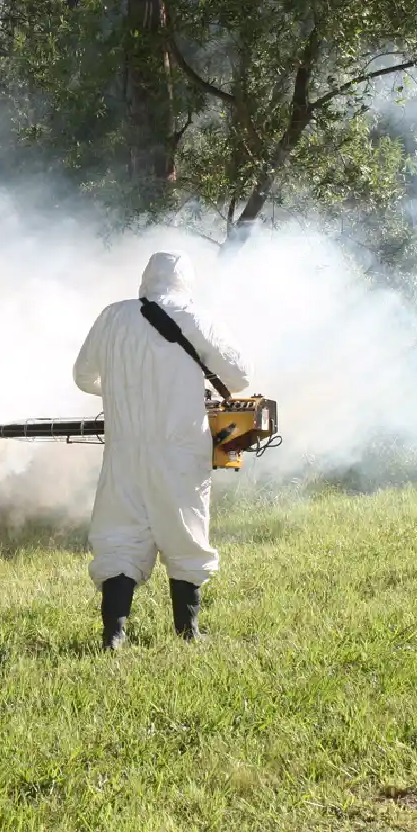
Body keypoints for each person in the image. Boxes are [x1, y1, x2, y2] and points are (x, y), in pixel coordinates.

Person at [72, 250, 252, 651]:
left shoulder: (111, 317)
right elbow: (240, 377)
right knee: (185, 534)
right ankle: (188, 633)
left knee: (119, 537)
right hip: (180, 450)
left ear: (145, 279)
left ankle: (113, 637)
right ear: (185, 281)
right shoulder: (198, 318)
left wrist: (116, 391)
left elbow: (83, 377)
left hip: (123, 450)